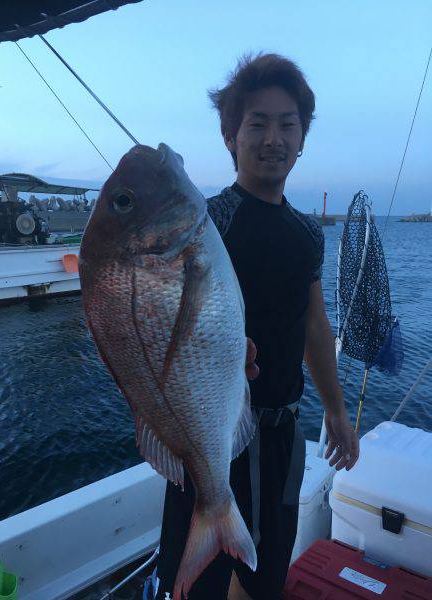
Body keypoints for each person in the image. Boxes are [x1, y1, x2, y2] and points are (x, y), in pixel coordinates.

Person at [152, 53, 359, 600]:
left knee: (266, 573)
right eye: (257, 124)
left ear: (302, 137)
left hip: (283, 432)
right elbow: (166, 322)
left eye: (287, 124)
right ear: (230, 137)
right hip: (210, 433)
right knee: (195, 580)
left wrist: (335, 411)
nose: (273, 138)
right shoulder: (206, 222)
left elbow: (314, 323)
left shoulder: (307, 233)